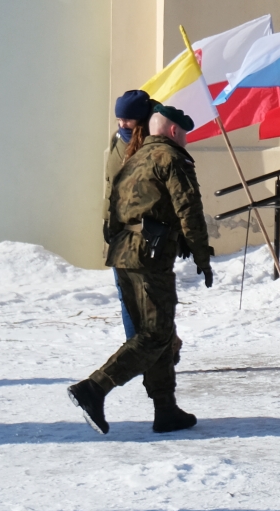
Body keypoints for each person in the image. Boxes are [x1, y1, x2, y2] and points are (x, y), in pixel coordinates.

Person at [68, 104, 215, 435]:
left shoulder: (132, 158)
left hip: (125, 253)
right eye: (185, 133)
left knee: (155, 328)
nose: (187, 139)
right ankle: (93, 388)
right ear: (174, 131)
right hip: (149, 255)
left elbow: (112, 208)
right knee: (155, 333)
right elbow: (188, 209)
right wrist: (202, 256)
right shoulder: (171, 158)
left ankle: (165, 409)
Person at [108, 89, 158, 340]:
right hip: (119, 230)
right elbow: (110, 184)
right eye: (119, 119)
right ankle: (135, 348)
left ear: (140, 117)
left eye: (126, 119)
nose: (121, 123)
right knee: (125, 292)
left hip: (147, 230)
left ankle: (156, 347)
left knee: (148, 294)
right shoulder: (117, 139)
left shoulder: (156, 142)